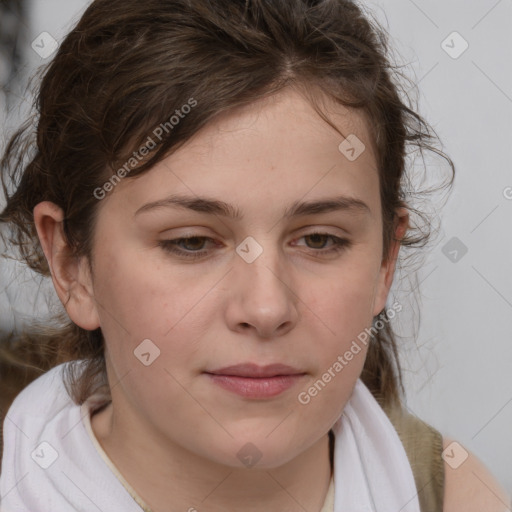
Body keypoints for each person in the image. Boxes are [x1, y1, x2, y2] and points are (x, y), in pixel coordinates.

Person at [0, 0, 510, 511]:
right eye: (191, 242)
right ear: (72, 266)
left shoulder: (452, 495)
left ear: (384, 261)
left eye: (319, 240)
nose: (266, 309)